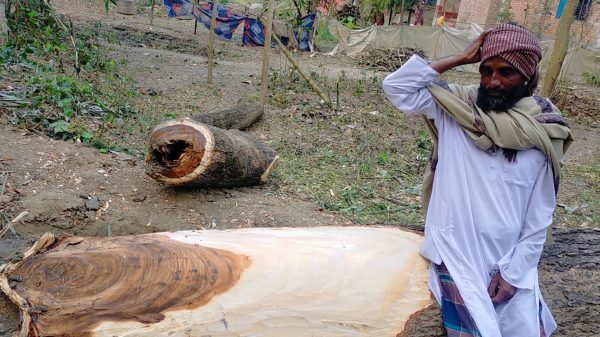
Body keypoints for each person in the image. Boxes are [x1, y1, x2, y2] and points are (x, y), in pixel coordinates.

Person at [382, 23, 573, 337]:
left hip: (511, 262)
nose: (493, 82)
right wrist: (459, 58)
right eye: (486, 71)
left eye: (506, 72)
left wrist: (515, 272)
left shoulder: (545, 128)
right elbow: (397, 88)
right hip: (456, 255)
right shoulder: (456, 109)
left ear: (526, 76)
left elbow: (540, 214)